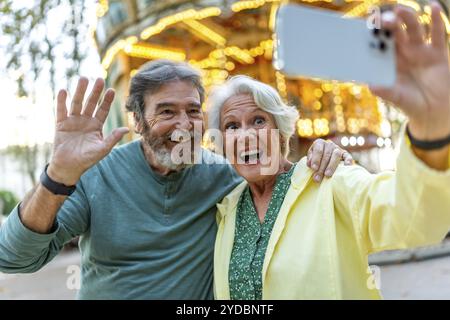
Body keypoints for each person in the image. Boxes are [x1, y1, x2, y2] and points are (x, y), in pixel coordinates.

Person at [0, 59, 351, 299]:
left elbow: (280, 174)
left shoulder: (226, 177)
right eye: (166, 111)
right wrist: (57, 176)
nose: (184, 125)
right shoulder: (96, 175)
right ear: (138, 120)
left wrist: (327, 154)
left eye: (193, 111)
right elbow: (13, 258)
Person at [211, 3, 450, 299]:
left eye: (258, 120)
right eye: (232, 127)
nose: (245, 135)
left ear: (282, 132)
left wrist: (432, 132)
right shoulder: (226, 210)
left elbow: (408, 219)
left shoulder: (328, 179)